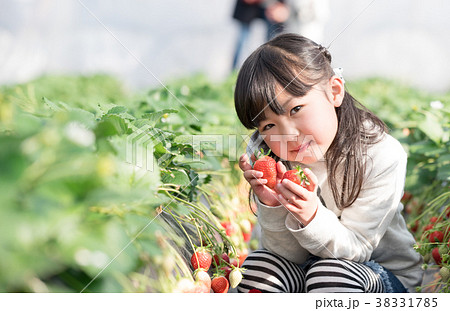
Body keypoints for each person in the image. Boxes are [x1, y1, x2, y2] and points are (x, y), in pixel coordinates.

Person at [234, 33, 423, 293]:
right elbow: (286, 256)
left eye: (296, 109)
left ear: (335, 91)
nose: (287, 134)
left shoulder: (381, 154)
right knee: (259, 267)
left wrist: (311, 215)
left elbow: (356, 249)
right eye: (268, 125)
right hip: (306, 271)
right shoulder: (267, 156)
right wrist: (273, 205)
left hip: (381, 275)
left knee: (329, 274)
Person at [231, 0, 290, 70]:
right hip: (249, 7)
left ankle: (270, 69)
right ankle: (237, 71)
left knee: (272, 41)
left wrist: (280, 5)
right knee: (244, 40)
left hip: (271, 6)